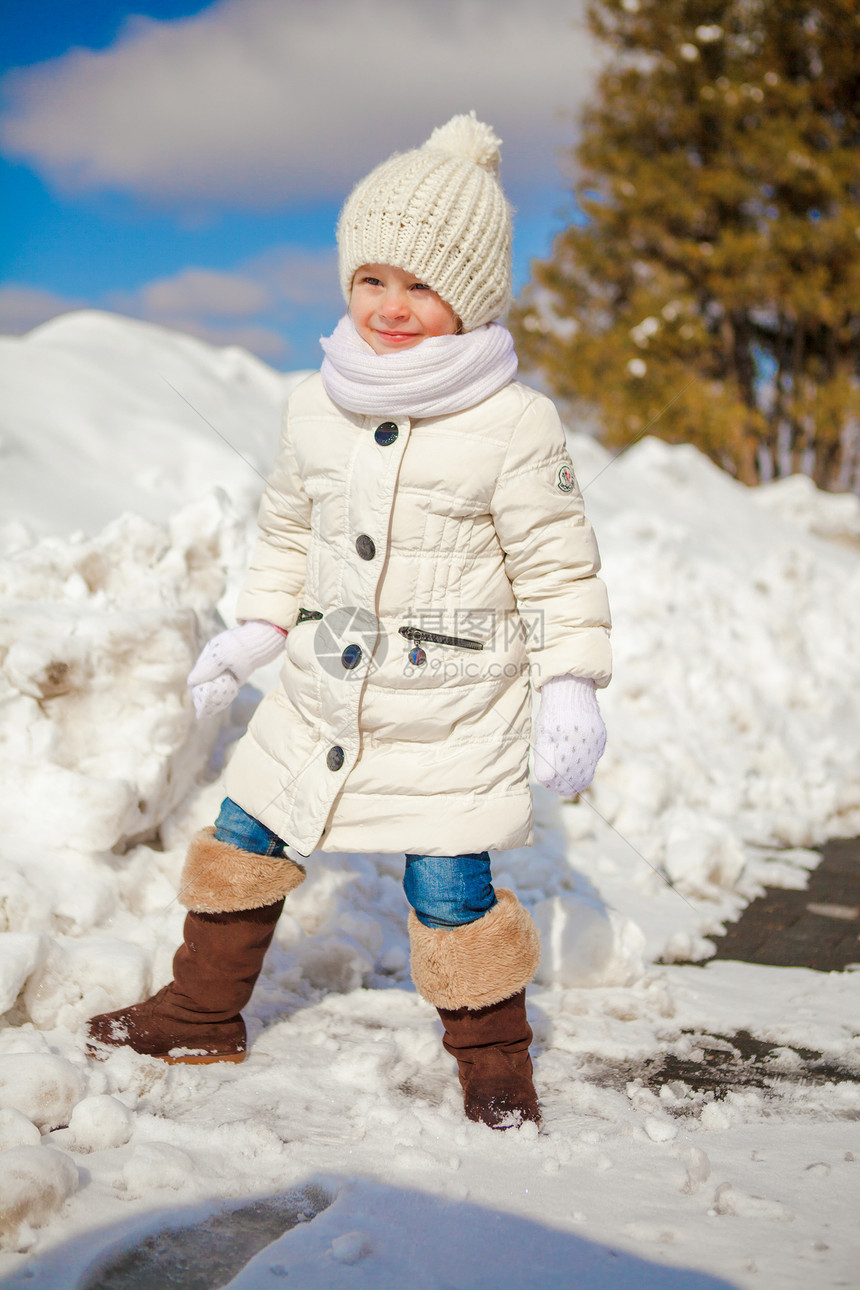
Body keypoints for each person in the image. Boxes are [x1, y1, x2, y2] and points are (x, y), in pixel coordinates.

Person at [87, 114, 611, 1130]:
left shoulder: (512, 422)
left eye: (421, 284)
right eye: (372, 278)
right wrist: (257, 628)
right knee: (242, 835)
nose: (391, 306)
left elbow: (557, 565)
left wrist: (569, 683)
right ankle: (201, 1010)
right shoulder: (312, 403)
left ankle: (495, 1066)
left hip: (446, 711)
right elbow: (287, 527)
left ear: (470, 296)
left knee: (451, 889)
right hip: (323, 694)